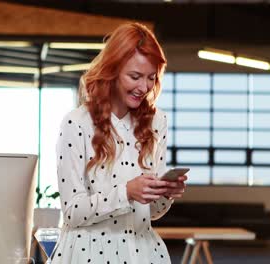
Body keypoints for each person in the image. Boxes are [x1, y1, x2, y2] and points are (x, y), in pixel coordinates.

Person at [51, 22, 188, 264]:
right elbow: (72, 212)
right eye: (134, 77)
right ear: (111, 71)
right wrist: (126, 192)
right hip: (88, 254)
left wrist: (165, 194)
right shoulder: (76, 123)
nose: (144, 87)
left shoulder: (157, 121)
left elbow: (153, 212)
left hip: (143, 254)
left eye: (150, 78)